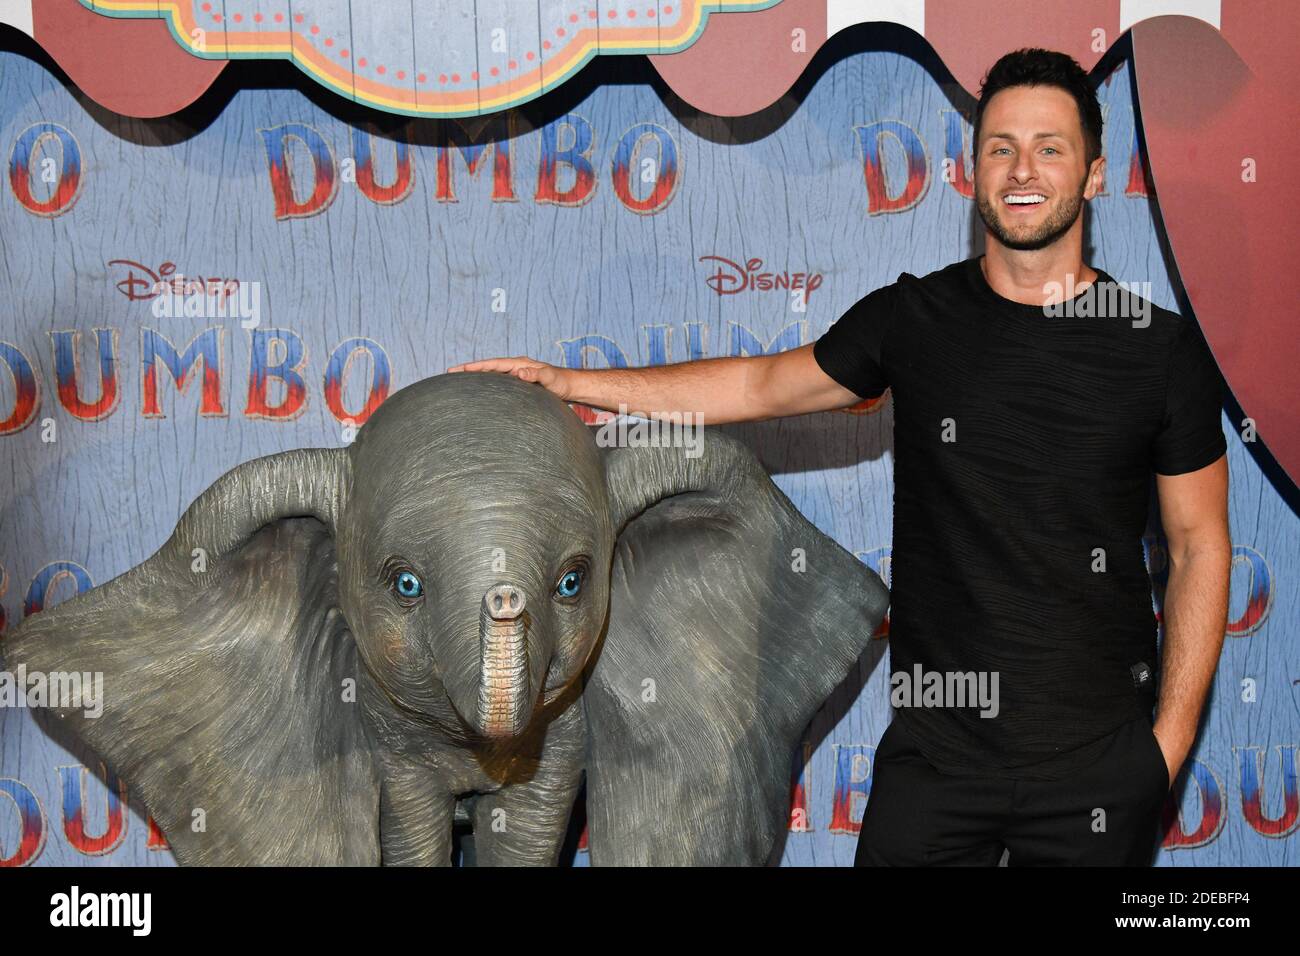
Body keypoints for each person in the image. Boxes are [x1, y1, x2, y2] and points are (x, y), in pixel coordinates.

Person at [448, 48, 1230, 866]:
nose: (1021, 168)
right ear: (972, 172)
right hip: (938, 762)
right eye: (1000, 146)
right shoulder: (913, 319)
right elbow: (759, 386)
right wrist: (569, 380)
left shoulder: (1159, 351)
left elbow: (1199, 547)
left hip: (1097, 768)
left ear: (1095, 175)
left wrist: (1163, 752)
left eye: (1049, 147)